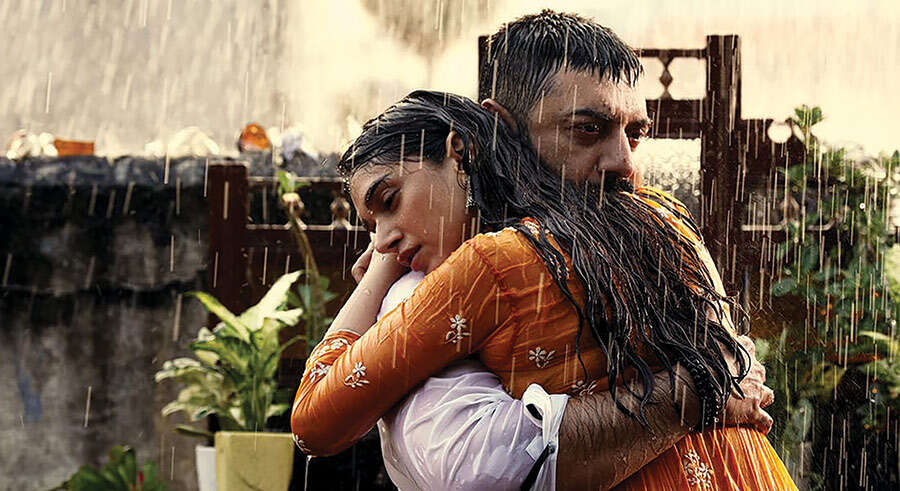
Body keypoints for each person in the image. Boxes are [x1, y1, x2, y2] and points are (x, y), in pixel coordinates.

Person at [350, 11, 774, 490]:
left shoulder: (657, 232)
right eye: (587, 129)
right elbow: (477, 473)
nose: (624, 164)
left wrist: (715, 378)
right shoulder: (443, 283)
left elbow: (736, 371)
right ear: (503, 130)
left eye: (635, 134)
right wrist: (695, 394)